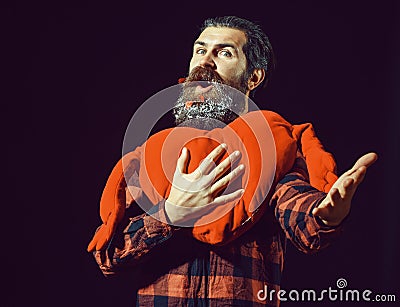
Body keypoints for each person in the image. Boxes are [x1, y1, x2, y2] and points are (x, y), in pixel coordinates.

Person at [88, 16, 377, 306]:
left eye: (224, 52)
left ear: (254, 77)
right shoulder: (157, 153)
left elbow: (298, 212)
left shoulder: (271, 146)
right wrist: (170, 214)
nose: (206, 62)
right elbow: (108, 254)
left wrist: (325, 215)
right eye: (200, 50)